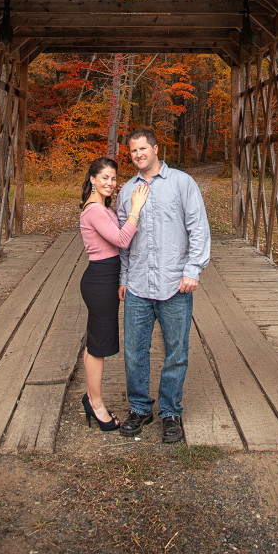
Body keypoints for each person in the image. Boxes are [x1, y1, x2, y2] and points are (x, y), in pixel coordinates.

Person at [116, 129, 211, 443]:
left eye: (143, 148)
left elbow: (198, 227)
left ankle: (171, 412)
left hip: (175, 284)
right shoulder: (126, 191)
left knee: (176, 353)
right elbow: (123, 243)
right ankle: (140, 408)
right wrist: (124, 279)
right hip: (139, 285)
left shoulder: (182, 183)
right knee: (133, 352)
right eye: (133, 151)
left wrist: (192, 270)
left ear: (155, 149)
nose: (138, 154)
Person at [79, 157, 150, 431]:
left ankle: (91, 397)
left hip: (107, 278)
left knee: (95, 342)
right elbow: (121, 240)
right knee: (99, 346)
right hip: (99, 280)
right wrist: (136, 208)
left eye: (113, 178)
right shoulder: (94, 210)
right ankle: (96, 404)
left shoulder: (102, 207)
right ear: (92, 179)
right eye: (104, 177)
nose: (110, 182)